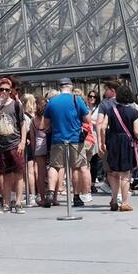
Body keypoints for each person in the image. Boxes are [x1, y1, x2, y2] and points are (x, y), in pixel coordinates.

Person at [43, 77, 89, 207]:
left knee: (54, 166)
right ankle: (76, 196)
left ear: (60, 87)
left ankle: (51, 192)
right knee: (76, 167)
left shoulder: (52, 102)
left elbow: (46, 123)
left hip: (57, 139)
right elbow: (87, 119)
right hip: (75, 139)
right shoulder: (77, 99)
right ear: (71, 86)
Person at [100, 84, 138, 211]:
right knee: (125, 173)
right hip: (126, 142)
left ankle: (114, 200)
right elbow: (136, 131)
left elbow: (103, 127)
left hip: (113, 141)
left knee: (113, 172)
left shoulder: (111, 110)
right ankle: (124, 202)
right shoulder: (133, 111)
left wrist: (102, 142)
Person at [0, 76, 27, 214]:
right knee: (5, 175)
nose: (4, 92)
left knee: (18, 174)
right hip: (1, 145)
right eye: (1, 89)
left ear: (11, 91)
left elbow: (23, 124)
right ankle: (5, 203)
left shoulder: (16, 105)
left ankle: (17, 202)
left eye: (7, 90)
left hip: (15, 143)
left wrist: (22, 142)